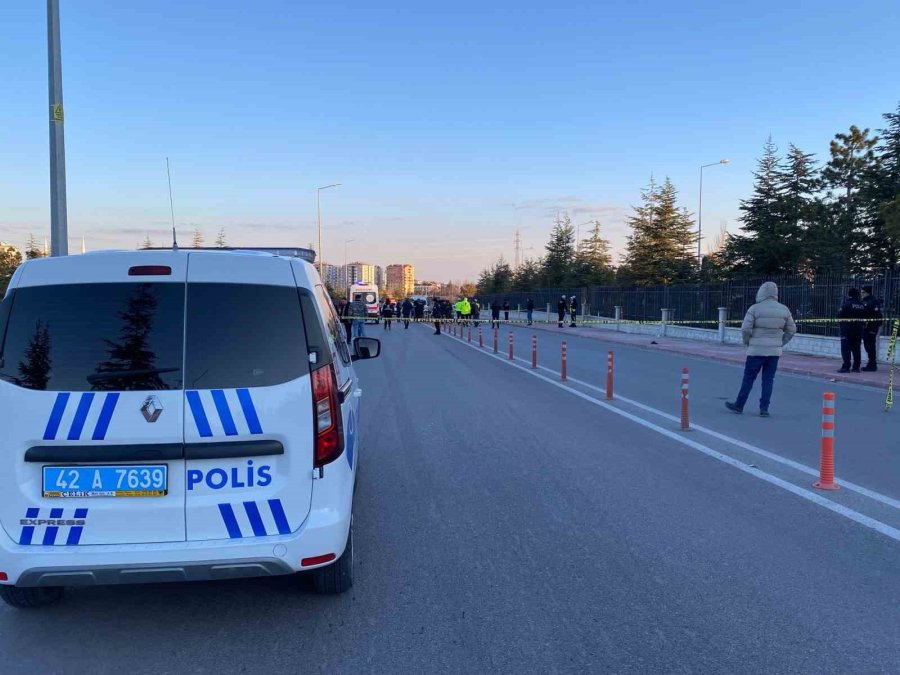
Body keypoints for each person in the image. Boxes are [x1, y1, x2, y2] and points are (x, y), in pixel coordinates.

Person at [725, 281, 796, 417]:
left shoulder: (755, 309)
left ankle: (739, 405)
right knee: (768, 380)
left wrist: (748, 342)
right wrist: (781, 343)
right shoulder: (784, 309)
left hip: (756, 350)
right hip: (774, 352)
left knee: (749, 378)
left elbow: (745, 328)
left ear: (761, 292)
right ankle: (764, 409)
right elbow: (792, 330)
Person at [837, 288, 866, 373]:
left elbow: (839, 316)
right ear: (857, 295)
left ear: (849, 294)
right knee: (856, 348)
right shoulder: (861, 305)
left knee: (846, 348)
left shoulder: (847, 304)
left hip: (847, 329)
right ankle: (856, 367)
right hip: (858, 329)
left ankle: (846, 367)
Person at [861, 285, 883, 371]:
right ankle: (871, 363)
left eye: (863, 292)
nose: (861, 294)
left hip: (871, 327)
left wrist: (874, 326)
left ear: (868, 292)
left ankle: (872, 364)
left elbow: (877, 315)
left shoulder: (873, 301)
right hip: (866, 326)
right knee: (867, 345)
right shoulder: (865, 301)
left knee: (870, 345)